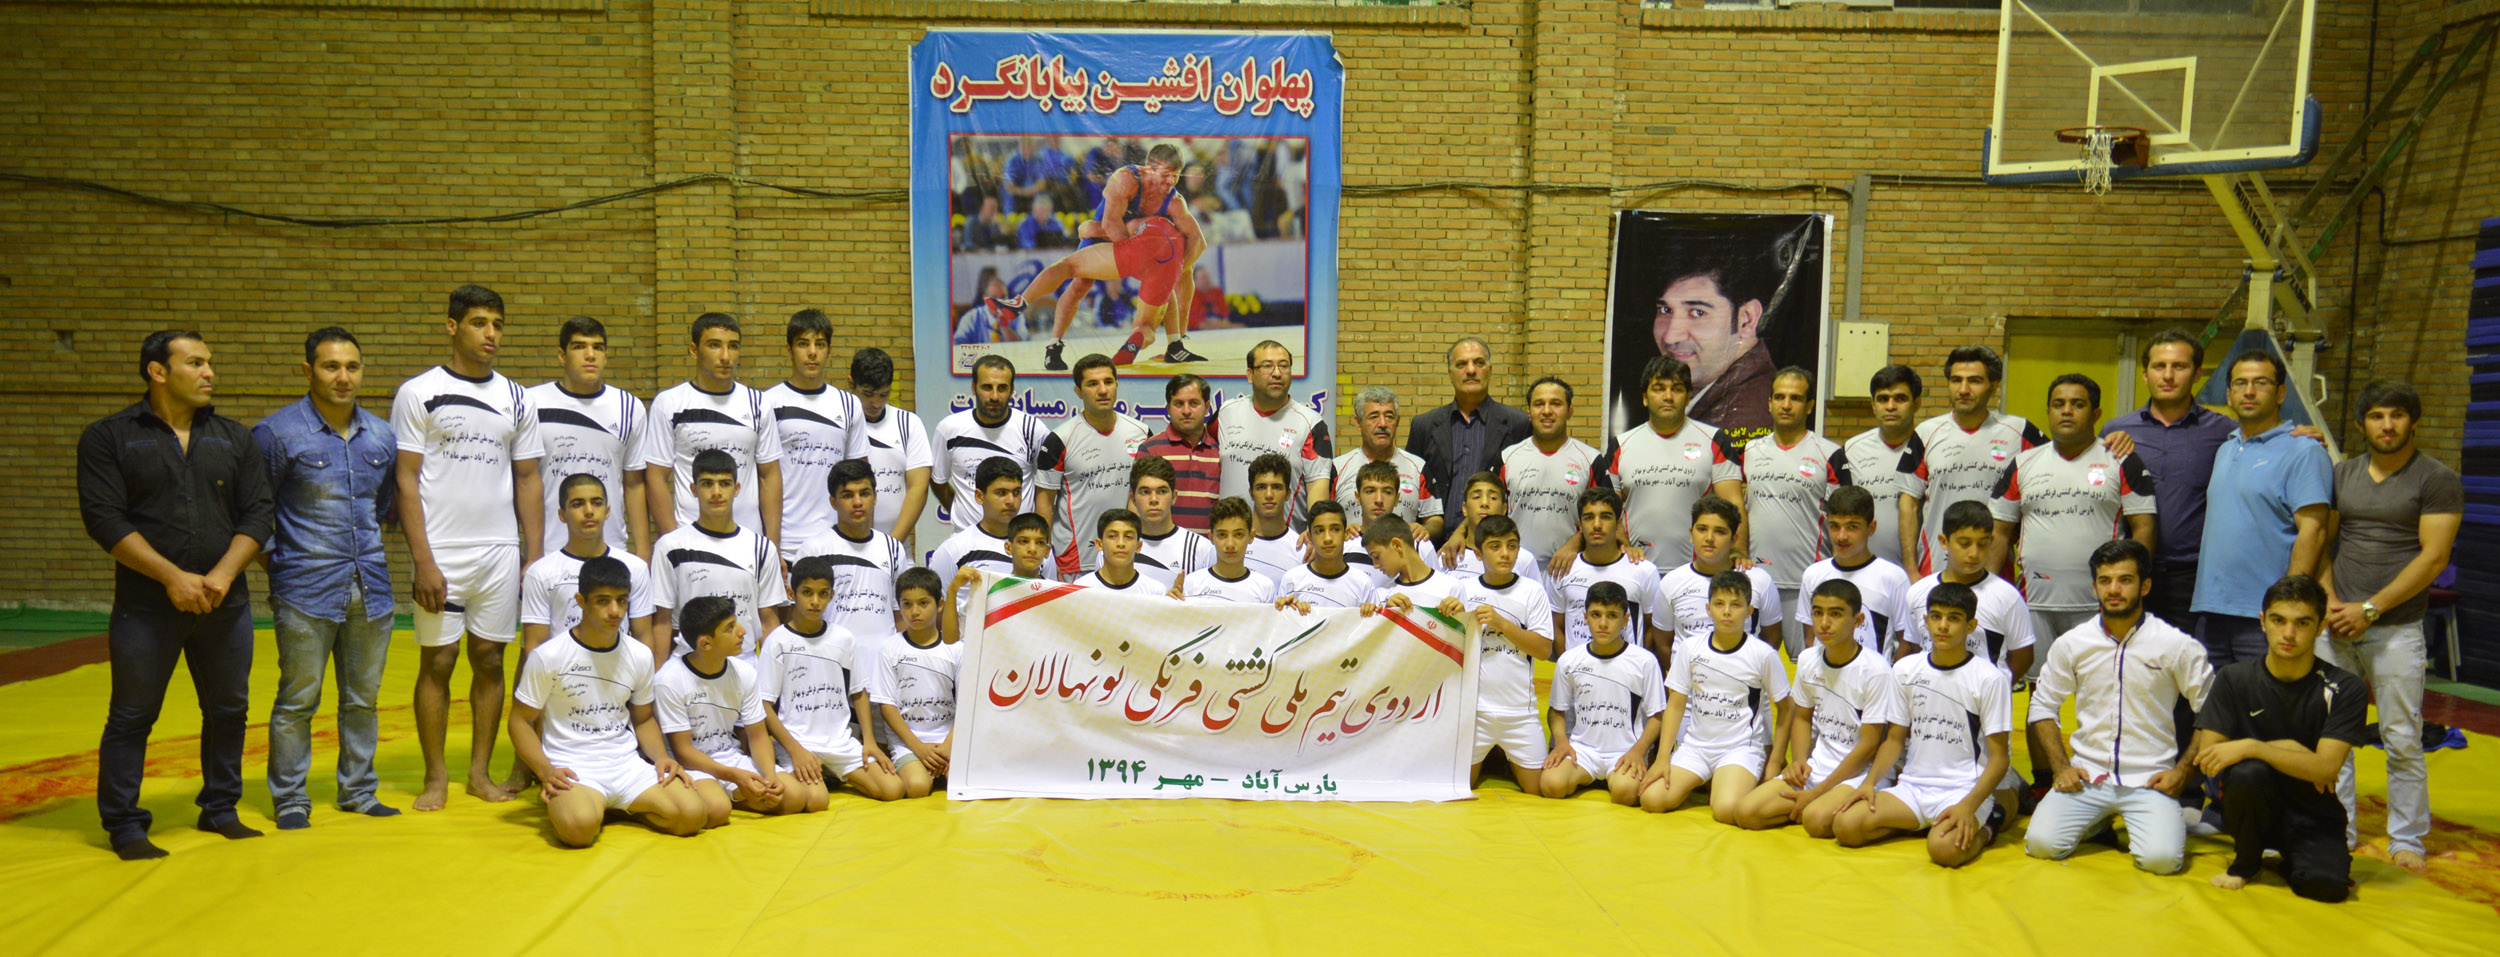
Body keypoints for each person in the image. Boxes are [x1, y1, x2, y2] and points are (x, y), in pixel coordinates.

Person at [79, 330, 275, 859]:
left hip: (224, 603)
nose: (210, 372)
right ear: (158, 372)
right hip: (146, 608)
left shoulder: (235, 439)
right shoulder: (109, 438)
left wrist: (223, 575)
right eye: (196, 363)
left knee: (229, 710)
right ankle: (124, 825)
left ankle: (220, 809)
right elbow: (104, 519)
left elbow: (259, 512)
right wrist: (171, 576)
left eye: (209, 362)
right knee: (132, 715)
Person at [392, 284, 545, 810]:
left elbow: (528, 478)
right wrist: (423, 560)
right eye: (480, 323)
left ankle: (479, 773)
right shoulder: (419, 392)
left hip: (499, 551)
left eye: (497, 324)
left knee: (489, 659)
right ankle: (436, 777)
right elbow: (406, 480)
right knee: (438, 662)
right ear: (452, 326)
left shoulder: (518, 398)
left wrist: (532, 554)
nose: (490, 334)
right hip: (442, 550)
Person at [255, 327, 399, 830]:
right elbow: (255, 513)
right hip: (304, 591)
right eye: (331, 366)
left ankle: (358, 792)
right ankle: (291, 799)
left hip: (371, 588)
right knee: (298, 702)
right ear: (308, 371)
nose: (343, 377)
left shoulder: (381, 435)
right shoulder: (276, 434)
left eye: (352, 367)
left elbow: (381, 507)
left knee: (363, 701)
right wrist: (283, 567)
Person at [2321, 380, 2460, 874]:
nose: (2387, 425)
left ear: (2412, 422)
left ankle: (2407, 839)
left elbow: (2434, 557)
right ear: (2362, 424)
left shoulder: (2436, 478)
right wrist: (2330, 600)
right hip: (2336, 624)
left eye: (2397, 415)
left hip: (2395, 627)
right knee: (2331, 736)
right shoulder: (2341, 474)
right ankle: (2336, 829)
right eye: (2377, 416)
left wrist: (2370, 609)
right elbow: (2321, 541)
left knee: (2402, 736)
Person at [2024, 539, 2213, 875]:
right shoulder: (2073, 644)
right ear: (2094, 587)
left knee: (2161, 861)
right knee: (2042, 844)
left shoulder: (2176, 645)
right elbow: (2042, 705)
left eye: (2125, 580)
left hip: (2150, 779)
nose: (2114, 589)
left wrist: (2183, 773)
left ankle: (2149, 820)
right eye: (2105, 580)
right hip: (2088, 775)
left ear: (2145, 586)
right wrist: (2061, 767)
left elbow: (2212, 712)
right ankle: (2095, 821)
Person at [507, 556, 707, 847]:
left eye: (621, 601)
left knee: (693, 815)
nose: (615, 611)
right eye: (603, 601)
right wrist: (545, 771)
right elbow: (520, 721)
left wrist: (660, 757)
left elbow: (643, 718)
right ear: (581, 601)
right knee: (578, 830)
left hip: (626, 766)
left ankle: (612, 807)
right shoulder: (548, 656)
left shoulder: (639, 654)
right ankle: (590, 806)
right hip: (574, 768)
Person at [2193, 575, 2364, 901]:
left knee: (2326, 888)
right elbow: (2209, 757)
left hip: (2313, 816)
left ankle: (2292, 861)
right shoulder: (2233, 678)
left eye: (2302, 623)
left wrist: (2252, 746)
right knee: (2249, 773)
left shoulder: (2345, 687)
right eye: (2278, 620)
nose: (2288, 633)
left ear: (2321, 626)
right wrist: (2293, 753)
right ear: (2263, 622)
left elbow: (2326, 769)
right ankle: (2246, 862)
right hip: (2251, 809)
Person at [1833, 582, 2013, 868]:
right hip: (1913, 788)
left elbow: (2000, 757)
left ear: (1971, 625)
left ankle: (1989, 824)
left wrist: (1969, 805)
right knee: (1846, 826)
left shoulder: (1989, 678)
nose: (1943, 626)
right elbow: (1894, 740)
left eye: (1954, 618)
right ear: (1926, 621)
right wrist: (1869, 783)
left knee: (1943, 850)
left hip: (1962, 791)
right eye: (1936, 617)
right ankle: (1918, 824)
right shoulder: (1905, 669)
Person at [1988, 373, 2157, 673]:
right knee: (2039, 691)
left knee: (2098, 689)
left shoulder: (2121, 460)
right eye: (2058, 404)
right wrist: (1987, 591)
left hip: (2102, 604)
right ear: (2049, 411)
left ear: (2096, 414)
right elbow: (1998, 534)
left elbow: (2144, 527)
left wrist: (2132, 588)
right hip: (2034, 605)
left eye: (2077, 404)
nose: (2066, 411)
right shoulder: (2022, 464)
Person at [988, 146, 1210, 368]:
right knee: (1079, 285)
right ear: (1150, 168)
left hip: (1125, 240)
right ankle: (1054, 345)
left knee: (1179, 272)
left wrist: (1174, 268)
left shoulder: (1174, 201)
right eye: (1166, 174)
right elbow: (1110, 223)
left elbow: (1198, 241)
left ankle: (1176, 344)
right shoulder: (1126, 178)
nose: (1171, 181)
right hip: (1108, 233)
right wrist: (1133, 255)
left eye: (1176, 175)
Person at [2192, 350, 2332, 667]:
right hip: (2212, 611)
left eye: (2261, 383)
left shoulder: (2304, 451)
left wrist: (2288, 606)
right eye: (2240, 383)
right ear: (2229, 394)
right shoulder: (2226, 448)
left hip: (2266, 616)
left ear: (2280, 393)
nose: (2249, 391)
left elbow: (2314, 531)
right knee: (2213, 697)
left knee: (2265, 698)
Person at [2099, 328, 2236, 633]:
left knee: (2186, 657)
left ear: (2197, 373)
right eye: (2159, 366)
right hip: (2128, 571)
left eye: (2179, 366)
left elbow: (2264, 440)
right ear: (2145, 374)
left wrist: (2302, 434)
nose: (2168, 375)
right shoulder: (2116, 431)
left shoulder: (2224, 432)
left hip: (2194, 576)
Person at [1734, 580, 1896, 836]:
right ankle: (1810, 806)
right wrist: (1799, 761)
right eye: (1818, 613)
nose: (1824, 623)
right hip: (1818, 766)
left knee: (1815, 820)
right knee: (1747, 812)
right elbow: (1802, 717)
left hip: (1859, 773)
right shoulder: (1809, 659)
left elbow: (1869, 746)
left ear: (1858, 620)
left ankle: (1830, 808)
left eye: (1836, 614)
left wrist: (1817, 793)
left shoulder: (1876, 670)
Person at [656, 596, 825, 822]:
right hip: (693, 764)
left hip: (730, 756)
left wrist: (770, 776)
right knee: (717, 810)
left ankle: (742, 795)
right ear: (705, 644)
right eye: (730, 627)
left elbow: (758, 736)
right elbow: (684, 752)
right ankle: (736, 796)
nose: (742, 631)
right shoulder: (669, 679)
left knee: (795, 797)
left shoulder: (744, 672)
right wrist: (736, 777)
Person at [1641, 570, 1791, 820]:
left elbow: (1786, 710)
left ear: (1749, 610)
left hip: (1740, 749)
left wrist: (1775, 761)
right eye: (1719, 604)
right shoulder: (1690, 648)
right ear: (1708, 609)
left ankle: (1753, 786)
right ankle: (1716, 781)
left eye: (1736, 605)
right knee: (1651, 799)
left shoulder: (1763, 654)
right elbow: (1675, 705)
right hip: (1696, 747)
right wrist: (1663, 758)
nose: (1727, 611)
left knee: (1725, 809)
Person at [757, 557, 908, 801]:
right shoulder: (777, 641)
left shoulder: (843, 638)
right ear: (791, 593)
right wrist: (795, 750)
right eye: (807, 593)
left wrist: (869, 741)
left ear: (832, 595)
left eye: (823, 593)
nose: (815, 601)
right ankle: (813, 771)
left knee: (893, 789)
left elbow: (859, 693)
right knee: (816, 800)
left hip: (841, 744)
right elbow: (764, 705)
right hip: (799, 743)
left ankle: (831, 772)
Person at [640, 312, 786, 549]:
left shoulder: (758, 404)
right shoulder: (670, 403)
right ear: (694, 350)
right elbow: (656, 476)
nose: (726, 356)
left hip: (748, 541)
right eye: (714, 345)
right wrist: (673, 543)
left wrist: (772, 545)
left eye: (733, 346)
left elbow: (769, 475)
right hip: (690, 541)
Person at [1898, 346, 2046, 575]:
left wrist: (2106, 445)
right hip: (1935, 568)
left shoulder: (2019, 431)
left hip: (1996, 569)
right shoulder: (1926, 433)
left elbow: (2056, 467)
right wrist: (1910, 569)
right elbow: (1908, 503)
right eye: (1956, 380)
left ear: (1993, 386)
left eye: (1975, 381)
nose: (1963, 389)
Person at [1590, 355, 1744, 568]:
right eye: (1659, 389)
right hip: (1636, 568)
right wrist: (1623, 545)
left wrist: (1739, 553)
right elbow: (1607, 510)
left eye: (1677, 389)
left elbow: (1734, 504)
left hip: (1698, 571)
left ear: (1688, 397)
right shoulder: (1621, 445)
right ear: (1645, 397)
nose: (1668, 396)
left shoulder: (1714, 440)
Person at [1443, 515, 1555, 791]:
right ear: (1478, 553)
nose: (1505, 553)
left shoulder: (1532, 591)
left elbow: (1543, 650)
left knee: (1540, 789)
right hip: (1474, 712)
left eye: (1512, 545)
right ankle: (1498, 762)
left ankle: (1505, 762)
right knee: (1456, 787)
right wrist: (1447, 616)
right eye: (1495, 546)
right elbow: (1446, 646)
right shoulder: (1463, 590)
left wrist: (1502, 624)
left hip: (1519, 714)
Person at [528, 315, 648, 558]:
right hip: (549, 550)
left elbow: (634, 484)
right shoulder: (532, 402)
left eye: (598, 348)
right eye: (579, 346)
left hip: (611, 550)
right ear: (562, 355)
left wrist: (644, 551)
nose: (590, 355)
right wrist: (532, 552)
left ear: (606, 356)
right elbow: (522, 481)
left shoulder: (629, 407)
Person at [1742, 367, 1843, 656]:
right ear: (1769, 402)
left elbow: (1843, 521)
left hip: (1807, 583)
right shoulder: (1749, 452)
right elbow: (1736, 511)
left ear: (1810, 406)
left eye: (1796, 398)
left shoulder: (1830, 454)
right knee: (1754, 666)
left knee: (1809, 667)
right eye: (1780, 397)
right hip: (1757, 581)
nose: (1786, 405)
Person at [649, 450, 787, 658]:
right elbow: (662, 622)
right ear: (694, 489)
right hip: (689, 661)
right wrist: (658, 673)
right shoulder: (670, 547)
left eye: (724, 484)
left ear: (736, 489)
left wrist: (772, 674)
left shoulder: (762, 548)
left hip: (744, 662)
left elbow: (768, 622)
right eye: (707, 484)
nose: (716, 492)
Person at [1538, 582, 1667, 804]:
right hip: (1583, 751)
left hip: (1625, 751)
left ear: (1625, 620)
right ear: (1585, 617)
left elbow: (1657, 716)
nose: (1603, 623)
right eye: (1596, 615)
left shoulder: (1644, 661)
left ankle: (1616, 777)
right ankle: (1587, 776)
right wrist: (1561, 742)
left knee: (1625, 793)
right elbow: (1557, 710)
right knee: (1551, 785)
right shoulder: (1569, 660)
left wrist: (1639, 751)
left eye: (1612, 616)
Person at [518, 473, 659, 663]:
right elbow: (536, 646)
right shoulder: (540, 573)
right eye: (578, 504)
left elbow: (643, 638)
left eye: (596, 503)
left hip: (618, 673)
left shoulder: (635, 568)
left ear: (607, 511)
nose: (589, 511)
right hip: (561, 675)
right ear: (562, 514)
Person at [765, 308, 871, 556]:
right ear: (789, 349)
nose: (812, 352)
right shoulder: (767, 403)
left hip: (837, 541)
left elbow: (859, 476)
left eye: (820, 344)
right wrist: (772, 545)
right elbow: (763, 478)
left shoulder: (848, 404)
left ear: (829, 350)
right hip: (786, 544)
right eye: (803, 344)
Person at [1039, 353, 1150, 577]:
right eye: (1092, 384)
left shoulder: (1142, 433)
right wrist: (1046, 555)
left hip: (1127, 557)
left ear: (1117, 385)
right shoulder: (1060, 439)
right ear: (1078, 391)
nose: (1102, 390)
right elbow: (1044, 502)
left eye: (1108, 382)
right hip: (1075, 561)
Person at [1898, 501, 2034, 682]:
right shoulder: (1917, 592)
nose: (1974, 553)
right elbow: (1916, 646)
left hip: (1983, 697)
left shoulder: (2007, 597)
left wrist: (1995, 688)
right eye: (1965, 543)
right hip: (1932, 692)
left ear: (1991, 542)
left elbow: (2023, 656)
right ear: (1944, 541)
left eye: (1982, 544)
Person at [1409, 337, 1532, 538]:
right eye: (1461, 364)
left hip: (1495, 542)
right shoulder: (1424, 426)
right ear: (1450, 374)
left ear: (1490, 370)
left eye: (1479, 363)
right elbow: (1413, 488)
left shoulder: (1518, 424)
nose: (1471, 370)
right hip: (1435, 543)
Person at [1647, 255, 1777, 437]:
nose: (1670, 337)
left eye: (1698, 312)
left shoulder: (1744, 421)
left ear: (1746, 319)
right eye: (1665, 310)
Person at [790, 458, 913, 643]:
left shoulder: (893, 549)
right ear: (833, 502)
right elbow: (799, 618)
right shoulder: (814, 550)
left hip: (882, 659)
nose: (857, 502)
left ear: (875, 497)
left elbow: (901, 617)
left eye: (864, 493)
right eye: (848, 495)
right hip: (831, 657)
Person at [867, 568, 963, 798]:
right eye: (907, 605)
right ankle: (923, 770)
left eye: (923, 603)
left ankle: (942, 768)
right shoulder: (889, 649)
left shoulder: (956, 648)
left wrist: (948, 747)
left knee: (961, 785)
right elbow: (886, 706)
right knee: (917, 787)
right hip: (907, 742)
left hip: (950, 739)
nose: (915, 611)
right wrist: (918, 748)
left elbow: (967, 704)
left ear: (940, 604)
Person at [931, 355, 1053, 529]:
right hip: (966, 538)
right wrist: (959, 513)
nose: (994, 396)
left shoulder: (1032, 429)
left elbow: (1047, 487)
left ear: (1012, 390)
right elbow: (938, 480)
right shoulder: (949, 429)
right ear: (974, 387)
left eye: (1002, 388)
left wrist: (1039, 535)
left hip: (1018, 539)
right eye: (987, 387)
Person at [1216, 341, 1332, 521]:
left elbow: (1318, 489)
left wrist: (1315, 530)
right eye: (1267, 366)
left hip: (1287, 536)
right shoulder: (1226, 412)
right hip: (1231, 535)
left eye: (1284, 366)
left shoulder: (1311, 423)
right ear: (1250, 375)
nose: (1277, 373)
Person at [1793, 486, 1910, 657]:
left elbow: (1906, 642)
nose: (1842, 536)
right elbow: (1811, 638)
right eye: (1835, 526)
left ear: (1871, 528)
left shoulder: (1893, 577)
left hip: (1871, 673)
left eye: (1852, 527)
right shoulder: (1813, 575)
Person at [1548, 487, 1663, 656]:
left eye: (1605, 517)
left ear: (1618, 524)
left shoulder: (1643, 570)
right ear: (1580, 525)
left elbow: (1652, 629)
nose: (1597, 525)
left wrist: (1639, 663)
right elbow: (1556, 628)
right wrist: (1567, 665)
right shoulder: (1563, 570)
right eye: (1589, 517)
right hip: (1579, 669)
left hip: (1627, 669)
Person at [1654, 496, 1782, 649]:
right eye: (1702, 529)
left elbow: (1772, 638)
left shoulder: (1759, 580)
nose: (1709, 538)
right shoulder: (1671, 583)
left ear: (1734, 539)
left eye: (1720, 532)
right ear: (1691, 534)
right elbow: (1663, 642)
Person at [1497, 376, 1599, 561]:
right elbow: (1489, 512)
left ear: (1569, 411)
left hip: (1570, 566)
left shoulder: (1590, 459)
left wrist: (1574, 544)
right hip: (1515, 565)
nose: (1546, 411)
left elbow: (1604, 517)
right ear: (1529, 412)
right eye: (1539, 404)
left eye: (1555, 404)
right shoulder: (1507, 458)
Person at [1834, 365, 1923, 570]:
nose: (1890, 406)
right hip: (1864, 571)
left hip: (1918, 572)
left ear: (1916, 403)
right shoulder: (1851, 451)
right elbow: (1839, 515)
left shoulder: (1927, 448)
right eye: (1883, 399)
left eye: (1900, 399)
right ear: (1873, 405)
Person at [1332, 386, 1442, 539]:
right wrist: (1339, 529)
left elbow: (1436, 520)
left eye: (1389, 417)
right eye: (1374, 417)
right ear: (1357, 422)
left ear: (1397, 421)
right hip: (1352, 552)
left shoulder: (1418, 467)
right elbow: (1321, 518)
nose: (1382, 424)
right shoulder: (1337, 468)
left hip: (1402, 552)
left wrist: (1425, 530)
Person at [848, 347, 932, 542]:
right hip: (846, 543)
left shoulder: (908, 423)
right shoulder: (841, 423)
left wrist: (892, 545)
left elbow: (918, 487)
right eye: (868, 394)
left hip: (897, 545)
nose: (876, 403)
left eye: (883, 394)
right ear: (851, 383)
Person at [927, 458, 1029, 612]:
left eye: (1016, 493)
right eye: (1001, 493)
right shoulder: (953, 550)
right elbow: (936, 612)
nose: (1011, 501)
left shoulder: (1037, 550)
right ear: (979, 496)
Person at [1136, 373, 1223, 532]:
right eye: (1179, 404)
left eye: (1194, 403)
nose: (1186, 411)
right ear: (1168, 408)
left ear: (1207, 407)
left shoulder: (1221, 452)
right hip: (1162, 546)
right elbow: (1137, 506)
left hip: (1210, 546)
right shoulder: (1150, 449)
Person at [1430, 471, 1543, 584]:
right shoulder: (1447, 557)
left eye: (1493, 498)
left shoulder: (1523, 559)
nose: (1484, 503)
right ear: (1464, 508)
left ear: (1504, 509)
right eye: (1476, 497)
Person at [1127, 455, 1217, 589]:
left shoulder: (1201, 549)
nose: (1154, 499)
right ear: (1133, 498)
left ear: (1174, 497)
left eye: (1162, 491)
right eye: (1145, 492)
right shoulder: (1115, 549)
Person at [1276, 500, 1381, 610]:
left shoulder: (1363, 583)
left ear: (1345, 533)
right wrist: (1286, 610)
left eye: (1335, 529)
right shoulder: (1292, 579)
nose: (1328, 538)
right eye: (1320, 531)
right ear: (1310, 536)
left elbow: (1374, 620)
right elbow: (1280, 619)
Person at [1172, 497, 1278, 603]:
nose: (1230, 544)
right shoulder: (1192, 584)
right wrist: (1169, 603)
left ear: (1251, 536)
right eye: (1222, 535)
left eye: (1238, 534)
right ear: (1211, 537)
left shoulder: (1264, 587)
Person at [1243, 452, 1302, 580]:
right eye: (1261, 487)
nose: (1269, 495)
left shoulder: (1301, 550)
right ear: (1251, 493)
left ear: (1288, 494)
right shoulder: (1231, 544)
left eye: (1276, 487)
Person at [1072, 509, 1155, 593]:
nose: (1121, 543)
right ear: (1099, 544)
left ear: (1138, 546)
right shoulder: (1080, 588)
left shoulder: (1155, 591)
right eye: (1112, 536)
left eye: (1128, 536)